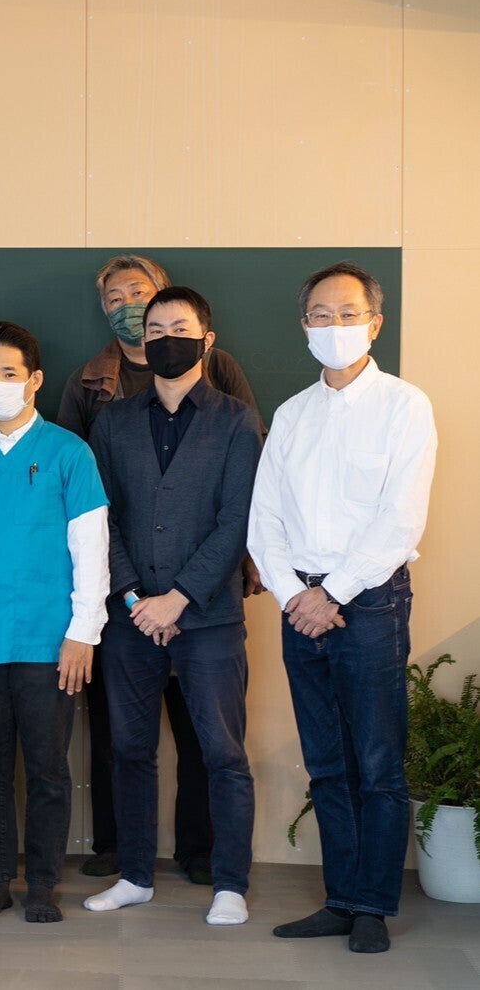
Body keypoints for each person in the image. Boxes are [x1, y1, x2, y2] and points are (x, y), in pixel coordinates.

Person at [250, 262, 436, 955]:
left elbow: (401, 518)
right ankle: (339, 898)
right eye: (321, 316)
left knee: (378, 761)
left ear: (375, 323)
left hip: (370, 601)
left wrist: (333, 594)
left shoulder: (404, 406)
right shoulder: (292, 414)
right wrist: (294, 594)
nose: (335, 327)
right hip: (299, 603)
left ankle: (372, 906)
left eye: (348, 314)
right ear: (304, 326)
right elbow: (264, 519)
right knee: (326, 761)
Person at [57, 253, 261, 882]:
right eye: (154, 331)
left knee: (219, 751)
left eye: (178, 330)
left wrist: (179, 598)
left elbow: (239, 516)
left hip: (209, 613)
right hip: (129, 615)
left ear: (206, 338)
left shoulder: (235, 415)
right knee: (127, 749)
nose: (166, 339)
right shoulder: (111, 418)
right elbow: (100, 516)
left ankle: (223, 875)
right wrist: (133, 597)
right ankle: (133, 872)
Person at [0, 321, 108, 924]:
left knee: (48, 769)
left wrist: (83, 631)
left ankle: (42, 883)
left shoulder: (69, 452)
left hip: (48, 637)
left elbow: (91, 547)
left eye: (8, 373)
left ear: (34, 379)